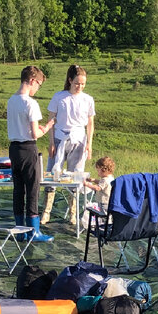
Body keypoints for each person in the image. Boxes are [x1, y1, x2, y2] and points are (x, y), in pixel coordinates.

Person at [6, 65, 55, 242]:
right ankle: (34, 231)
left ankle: (20, 230)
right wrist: (47, 127)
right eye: (39, 85)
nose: (37, 88)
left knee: (18, 189)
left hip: (14, 149)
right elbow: (35, 133)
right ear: (33, 81)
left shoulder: (11, 100)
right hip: (28, 148)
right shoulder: (31, 103)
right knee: (32, 188)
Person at [42, 64, 95, 226]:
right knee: (52, 175)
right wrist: (51, 142)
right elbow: (51, 120)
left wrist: (89, 145)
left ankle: (73, 213)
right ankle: (46, 212)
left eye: (83, 84)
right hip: (59, 138)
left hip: (79, 140)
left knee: (75, 176)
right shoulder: (59, 97)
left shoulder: (88, 99)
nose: (80, 86)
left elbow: (90, 123)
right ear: (70, 80)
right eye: (77, 83)